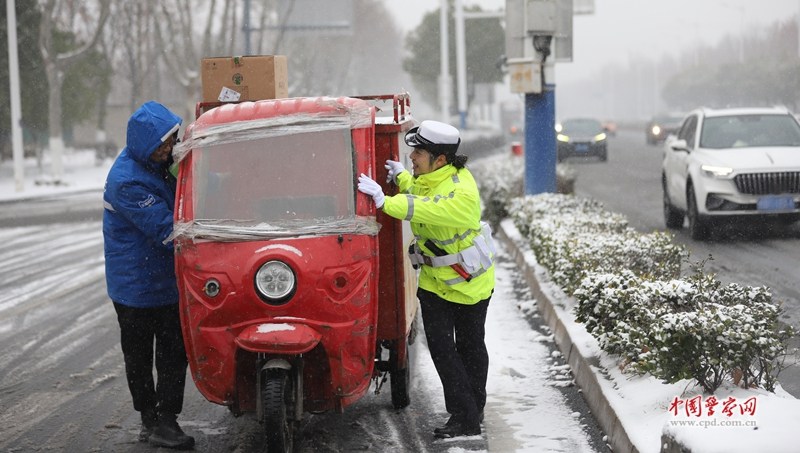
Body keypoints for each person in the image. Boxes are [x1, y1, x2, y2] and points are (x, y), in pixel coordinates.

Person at [357, 120, 496, 438]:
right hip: (435, 283)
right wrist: (402, 178)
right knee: (443, 349)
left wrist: (385, 201)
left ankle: (470, 414)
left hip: (469, 284)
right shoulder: (433, 176)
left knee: (471, 347)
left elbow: (428, 207)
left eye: (418, 153)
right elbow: (422, 190)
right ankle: (466, 413)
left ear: (441, 159)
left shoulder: (461, 192)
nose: (412, 157)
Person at [103, 101, 194, 449]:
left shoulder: (158, 165)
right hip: (135, 286)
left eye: (171, 140)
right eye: (163, 144)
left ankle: (166, 419)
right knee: (139, 357)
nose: (169, 149)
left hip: (164, 280)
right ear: (145, 145)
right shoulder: (126, 182)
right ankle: (151, 420)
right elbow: (168, 231)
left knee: (173, 352)